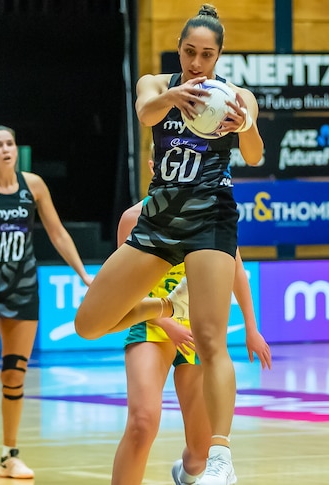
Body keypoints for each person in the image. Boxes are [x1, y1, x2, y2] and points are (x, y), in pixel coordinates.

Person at [74, 4, 263, 485]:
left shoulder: (237, 96)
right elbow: (144, 112)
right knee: (88, 323)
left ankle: (220, 458)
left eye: (207, 54)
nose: (198, 62)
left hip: (211, 218)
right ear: (179, 50)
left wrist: (245, 125)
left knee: (210, 338)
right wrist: (175, 95)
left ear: (219, 55)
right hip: (160, 217)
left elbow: (256, 153)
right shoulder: (156, 84)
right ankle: (158, 306)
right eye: (189, 52)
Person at [0, 125, 94, 479]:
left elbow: (57, 232)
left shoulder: (34, 186)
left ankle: (10, 454)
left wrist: (83, 273)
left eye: (10, 143)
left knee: (15, 375)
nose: (6, 149)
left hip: (24, 289)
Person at [112, 166, 272, 485]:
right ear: (154, 167)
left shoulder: (211, 214)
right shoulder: (134, 218)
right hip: (152, 323)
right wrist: (166, 322)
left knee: (200, 452)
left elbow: (236, 271)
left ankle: (185, 474)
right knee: (143, 423)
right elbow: (122, 288)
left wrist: (252, 328)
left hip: (196, 329)